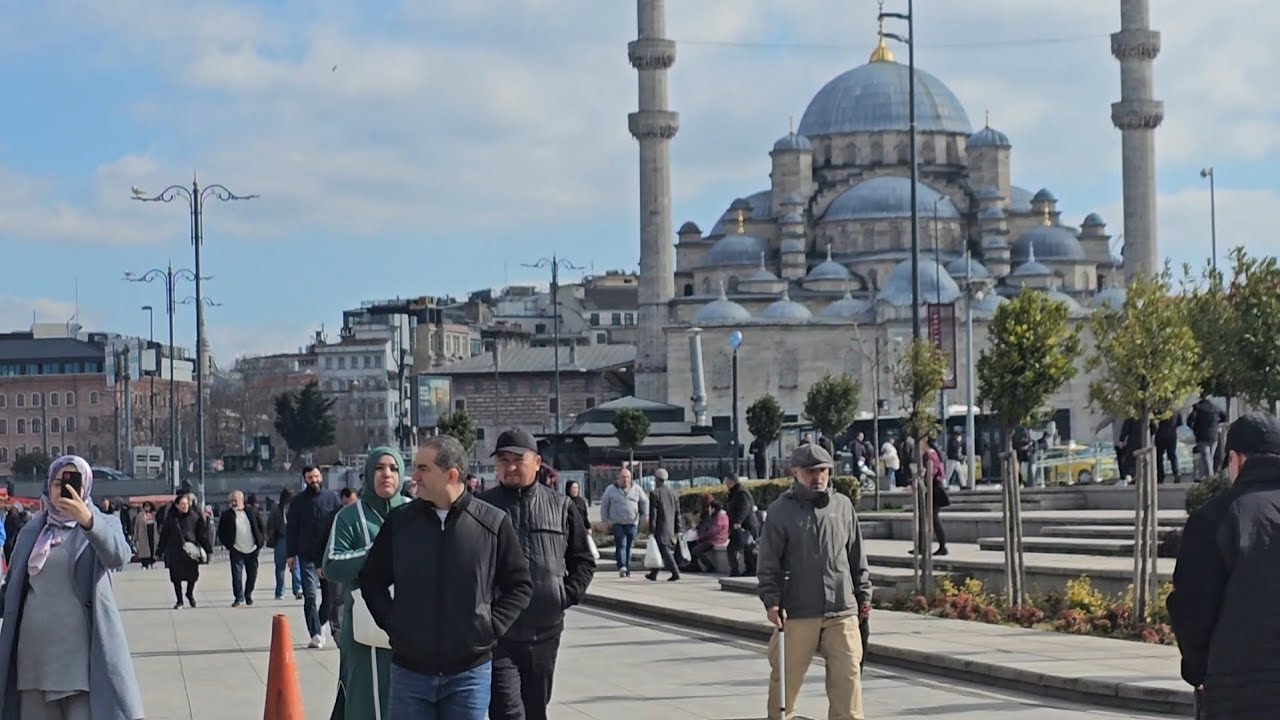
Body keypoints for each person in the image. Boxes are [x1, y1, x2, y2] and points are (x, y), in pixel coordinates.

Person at [358, 435, 533, 720]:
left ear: (451, 474)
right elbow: (372, 579)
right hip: (410, 673)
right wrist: (394, 625)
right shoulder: (400, 523)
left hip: (469, 674)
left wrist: (489, 626)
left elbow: (520, 585)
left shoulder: (492, 523)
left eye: (423, 469)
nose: (414, 477)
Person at [0, 454, 145, 719]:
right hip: (33, 658)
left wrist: (88, 520)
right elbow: (12, 589)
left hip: (79, 659)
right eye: (57, 483)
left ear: (86, 487)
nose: (63, 489)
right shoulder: (32, 531)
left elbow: (119, 557)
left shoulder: (102, 523)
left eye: (73, 482)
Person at [1169, 412, 1280, 720]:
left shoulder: (1216, 517)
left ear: (1235, 460)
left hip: (1238, 691)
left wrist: (1199, 670)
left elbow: (1192, 608)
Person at [481, 428, 596, 720]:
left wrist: (565, 595)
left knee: (535, 710)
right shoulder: (481, 508)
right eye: (503, 460)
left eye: (517, 460)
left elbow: (583, 560)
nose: (509, 467)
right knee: (507, 710)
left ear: (537, 462)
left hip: (545, 630)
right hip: (498, 634)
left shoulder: (561, 507)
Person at [757, 444, 871, 720]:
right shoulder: (780, 511)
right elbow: (768, 561)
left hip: (842, 609)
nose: (818, 476)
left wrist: (863, 595)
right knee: (784, 686)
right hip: (798, 612)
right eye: (810, 471)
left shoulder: (842, 506)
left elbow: (856, 555)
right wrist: (771, 601)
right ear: (795, 472)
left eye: (823, 470)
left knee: (849, 682)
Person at [322, 447, 411, 720]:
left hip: (410, 623)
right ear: (368, 474)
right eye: (380, 468)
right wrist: (378, 554)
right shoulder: (349, 517)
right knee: (364, 696)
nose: (387, 474)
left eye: (393, 468)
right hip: (364, 627)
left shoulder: (415, 511)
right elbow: (333, 565)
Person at [287, 466, 342, 648]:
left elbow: (338, 524)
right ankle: (316, 633)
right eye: (310, 478)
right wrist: (291, 554)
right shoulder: (298, 502)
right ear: (305, 479)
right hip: (306, 556)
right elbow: (292, 529)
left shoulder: (332, 498)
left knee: (330, 598)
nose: (314, 480)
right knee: (310, 596)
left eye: (317, 476)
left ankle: (320, 624)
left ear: (321, 477)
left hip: (327, 556)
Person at [159, 493, 212, 609]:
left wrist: (208, 549)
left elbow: (202, 535)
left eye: (186, 504)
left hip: (191, 552)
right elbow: (164, 535)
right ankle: (179, 600)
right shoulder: (171, 519)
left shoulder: (195, 517)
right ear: (177, 505)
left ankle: (189, 593)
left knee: (192, 576)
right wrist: (159, 551)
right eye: (182, 504)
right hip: (175, 551)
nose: (185, 506)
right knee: (176, 578)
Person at [217, 490, 265, 607]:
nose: (233, 503)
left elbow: (262, 527)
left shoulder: (252, 511)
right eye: (231, 500)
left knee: (252, 574)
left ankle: (248, 594)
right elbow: (221, 532)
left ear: (242, 500)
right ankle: (239, 597)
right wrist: (229, 545)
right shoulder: (227, 515)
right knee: (237, 574)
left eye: (235, 500)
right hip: (236, 549)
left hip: (252, 548)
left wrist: (261, 541)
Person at [598, 467, 648, 578]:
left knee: (629, 546)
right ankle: (621, 566)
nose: (625, 479)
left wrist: (645, 514)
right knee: (621, 544)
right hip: (617, 523)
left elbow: (644, 501)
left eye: (628, 477)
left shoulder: (636, 489)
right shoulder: (610, 489)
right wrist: (604, 521)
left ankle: (627, 567)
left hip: (632, 522)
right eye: (623, 477)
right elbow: (604, 505)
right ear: (618, 478)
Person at [267, 487, 303, 600]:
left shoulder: (276, 508)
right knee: (294, 566)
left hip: (281, 539)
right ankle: (297, 589)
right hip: (289, 539)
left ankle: (280, 592)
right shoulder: (295, 507)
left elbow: (270, 524)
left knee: (280, 567)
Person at [646, 468, 681, 582]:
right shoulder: (673, 493)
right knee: (659, 549)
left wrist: (651, 528)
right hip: (670, 527)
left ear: (656, 479)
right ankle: (654, 573)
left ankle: (675, 572)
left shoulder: (655, 493)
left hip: (660, 527)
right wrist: (678, 527)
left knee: (664, 550)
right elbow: (677, 512)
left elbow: (653, 513)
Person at [723, 473, 759, 577]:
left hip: (746, 526)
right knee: (739, 548)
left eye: (726, 482)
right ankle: (742, 570)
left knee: (745, 548)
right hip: (739, 526)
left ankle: (749, 570)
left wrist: (738, 522)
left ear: (732, 481)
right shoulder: (735, 492)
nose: (725, 484)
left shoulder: (741, 492)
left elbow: (744, 508)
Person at [1187, 395, 1228, 480]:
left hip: (1201, 435)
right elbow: (1224, 417)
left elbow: (1189, 421)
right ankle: (1204, 476)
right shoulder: (1216, 408)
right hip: (1214, 435)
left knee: (1206, 456)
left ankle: (1209, 477)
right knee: (1209, 457)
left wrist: (1194, 428)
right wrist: (1216, 424)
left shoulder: (1198, 408)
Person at [1154, 411, 1183, 483]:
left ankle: (1160, 476)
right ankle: (1176, 473)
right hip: (1172, 435)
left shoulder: (1159, 410)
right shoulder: (1175, 411)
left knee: (1159, 457)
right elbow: (1180, 423)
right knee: (1172, 455)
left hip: (1160, 435)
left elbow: (1154, 424)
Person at [132, 500, 159, 569]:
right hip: (143, 536)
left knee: (153, 549)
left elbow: (157, 525)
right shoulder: (140, 515)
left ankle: (152, 562)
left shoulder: (154, 515)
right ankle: (145, 564)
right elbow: (136, 526)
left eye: (148, 506)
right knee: (144, 551)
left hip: (152, 535)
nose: (147, 508)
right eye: (146, 506)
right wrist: (135, 536)